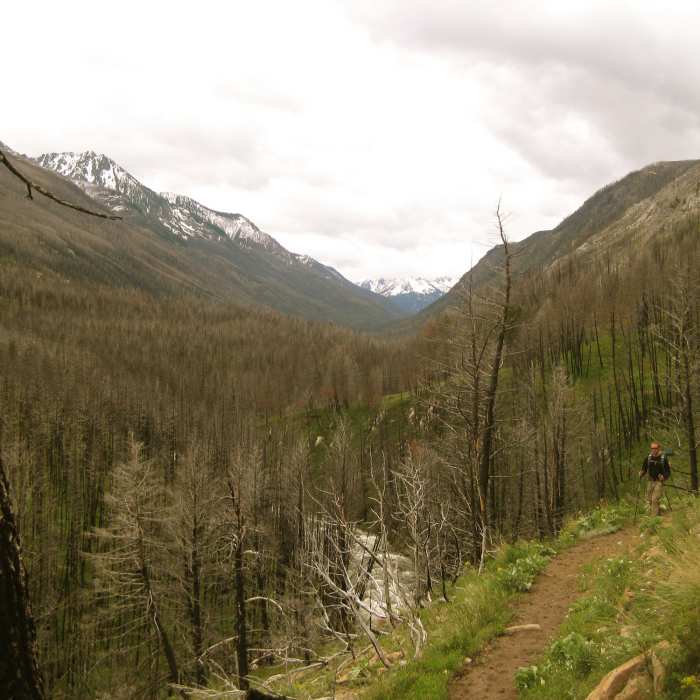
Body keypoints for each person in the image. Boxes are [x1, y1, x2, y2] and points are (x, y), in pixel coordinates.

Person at [639, 441, 671, 516]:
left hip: (659, 482)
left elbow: (668, 472)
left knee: (654, 499)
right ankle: (659, 511)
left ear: (659, 448)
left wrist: (664, 476)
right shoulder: (648, 458)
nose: (653, 450)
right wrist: (641, 473)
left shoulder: (663, 458)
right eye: (652, 448)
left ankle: (654, 519)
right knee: (649, 500)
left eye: (655, 448)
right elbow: (644, 469)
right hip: (650, 481)